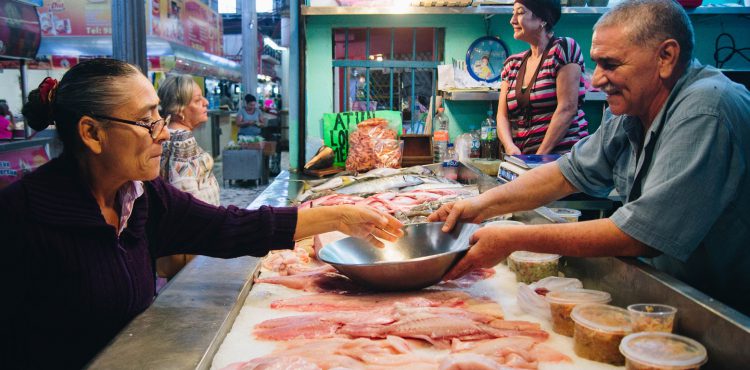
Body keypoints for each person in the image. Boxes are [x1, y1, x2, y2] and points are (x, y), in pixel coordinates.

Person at [0, 58, 404, 368]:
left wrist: (339, 217)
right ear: (91, 133)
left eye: (159, 116)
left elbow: (230, 226)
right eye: (146, 121)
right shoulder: (21, 217)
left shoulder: (144, 196)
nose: (162, 132)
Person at [429, 0, 750, 314]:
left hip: (721, 313)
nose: (595, 80)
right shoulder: (634, 112)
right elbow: (565, 172)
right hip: (669, 301)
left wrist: (514, 238)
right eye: (596, 64)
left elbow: (640, 234)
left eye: (610, 64)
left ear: (666, 56)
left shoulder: (707, 110)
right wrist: (477, 206)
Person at [497, 0, 588, 155]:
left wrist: (539, 157)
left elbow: (567, 108)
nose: (512, 20)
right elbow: (502, 116)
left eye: (519, 12)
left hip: (563, 160)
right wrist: (510, 147)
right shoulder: (512, 64)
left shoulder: (563, 49)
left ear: (542, 19)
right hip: (526, 159)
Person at [156, 74, 220, 279]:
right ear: (179, 110)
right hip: (191, 244)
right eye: (197, 99)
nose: (205, 102)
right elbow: (185, 199)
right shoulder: (179, 143)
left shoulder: (171, 138)